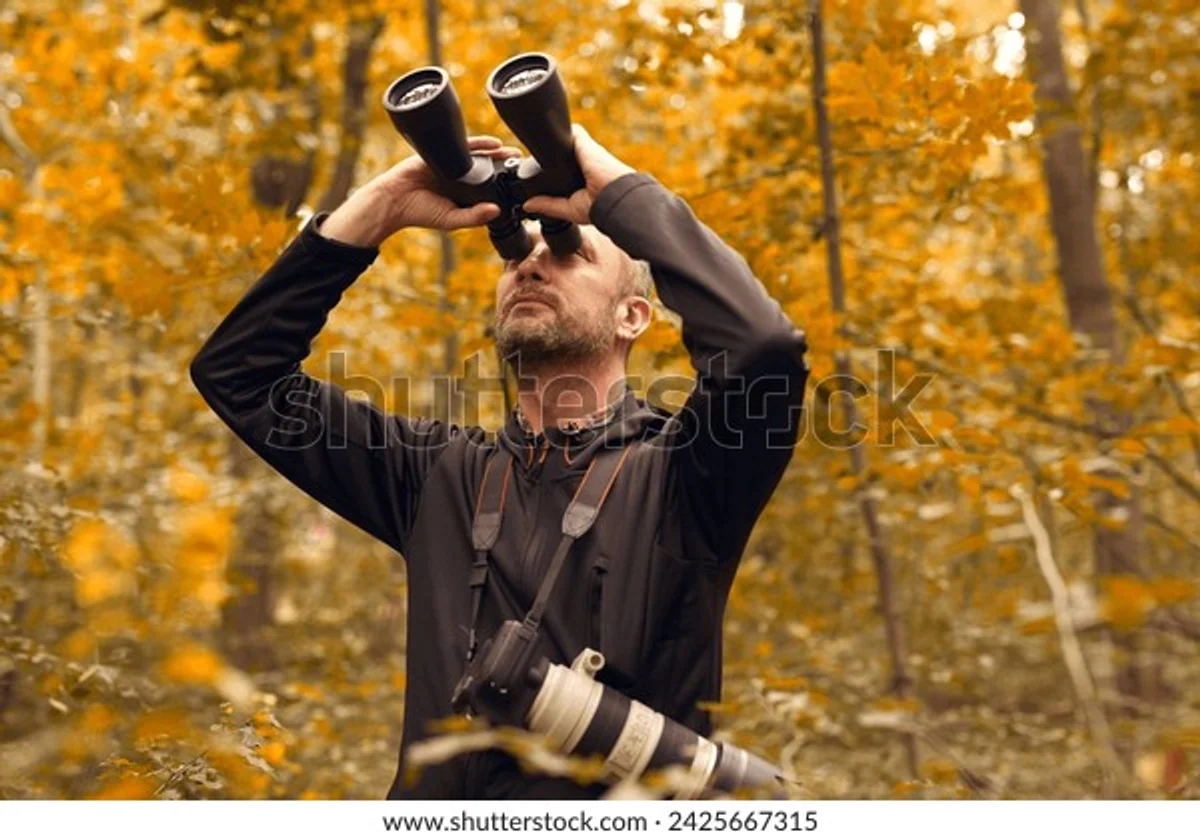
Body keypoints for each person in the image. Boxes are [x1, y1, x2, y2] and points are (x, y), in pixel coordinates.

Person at [189, 124, 809, 799]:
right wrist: (381, 206)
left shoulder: (687, 476)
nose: (531, 266)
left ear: (633, 317)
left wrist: (616, 194)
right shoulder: (436, 475)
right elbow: (240, 375)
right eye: (516, 254)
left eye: (568, 252)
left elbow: (761, 348)